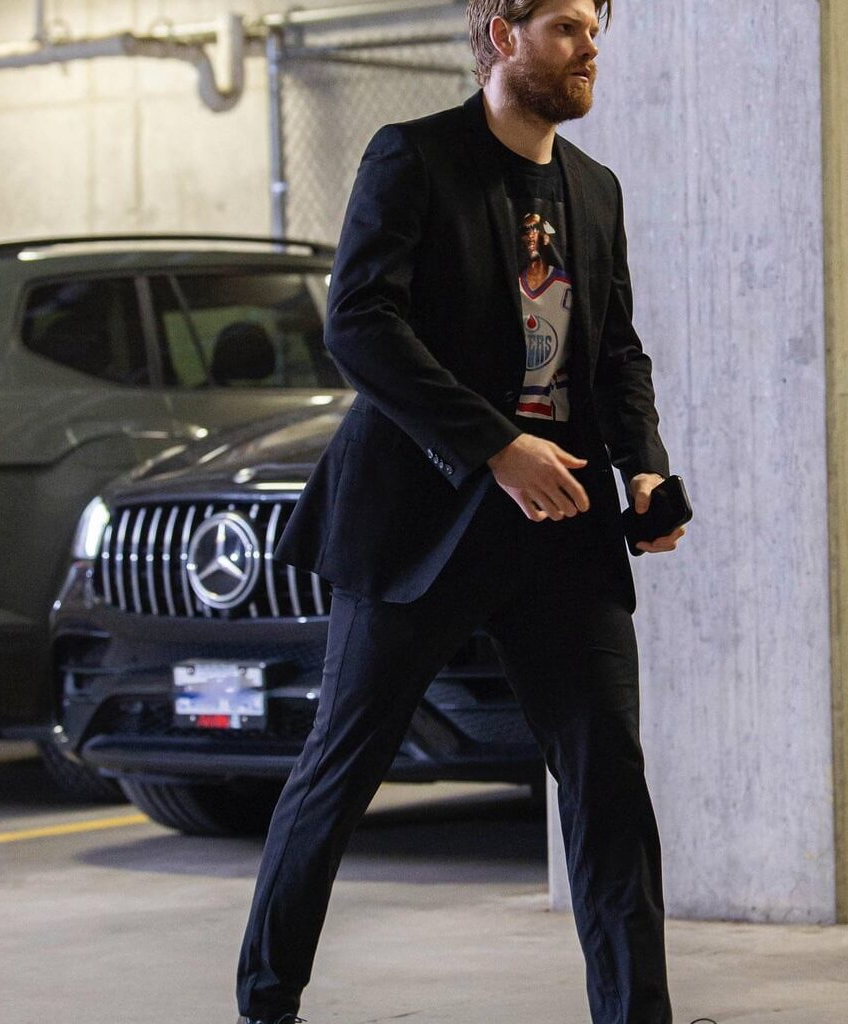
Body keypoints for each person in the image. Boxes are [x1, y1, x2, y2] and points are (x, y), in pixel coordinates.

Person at [235, 1, 685, 1022]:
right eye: (566, 25)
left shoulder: (595, 191)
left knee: (608, 776)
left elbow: (614, 351)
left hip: (559, 521)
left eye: (596, 27)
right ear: (499, 33)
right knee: (340, 771)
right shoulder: (415, 159)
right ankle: (265, 1006)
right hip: (420, 522)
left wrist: (646, 471)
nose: (590, 47)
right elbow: (359, 320)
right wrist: (494, 444)